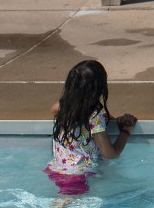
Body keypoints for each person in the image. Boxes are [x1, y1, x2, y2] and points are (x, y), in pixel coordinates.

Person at [44, 59, 138, 196]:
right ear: (99, 88)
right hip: (78, 175)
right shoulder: (94, 117)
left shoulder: (63, 107)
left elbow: (54, 109)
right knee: (66, 207)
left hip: (56, 168)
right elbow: (110, 154)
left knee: (60, 204)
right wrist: (125, 132)